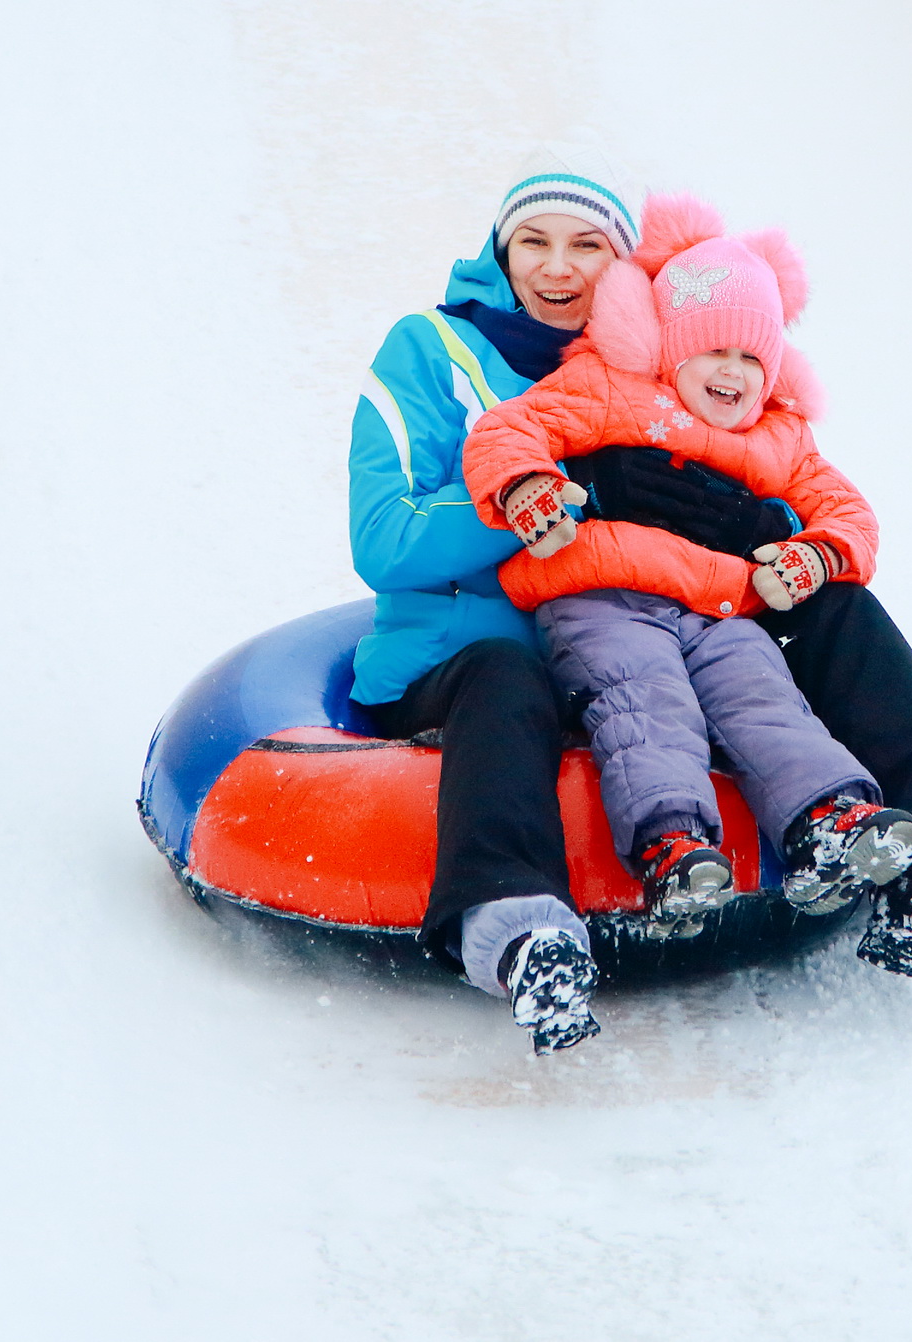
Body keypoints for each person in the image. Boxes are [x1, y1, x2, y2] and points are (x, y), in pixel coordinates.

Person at [461, 195, 912, 938]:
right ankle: (671, 842)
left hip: (720, 609)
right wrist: (529, 488)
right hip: (604, 596)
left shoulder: (780, 436)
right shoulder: (612, 388)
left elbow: (851, 515)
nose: (733, 373)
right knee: (644, 704)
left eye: (752, 357)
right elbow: (510, 427)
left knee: (764, 697)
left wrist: (815, 552)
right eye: (714, 350)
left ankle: (826, 821)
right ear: (671, 348)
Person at [347, 146, 637, 1054]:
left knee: (783, 639)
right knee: (509, 672)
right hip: (457, 663)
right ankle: (518, 934)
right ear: (501, 253)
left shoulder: (654, 368)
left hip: (616, 657)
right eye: (534, 243)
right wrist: (526, 502)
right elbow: (383, 538)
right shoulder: (428, 349)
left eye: (587, 246)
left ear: (623, 266)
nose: (557, 268)